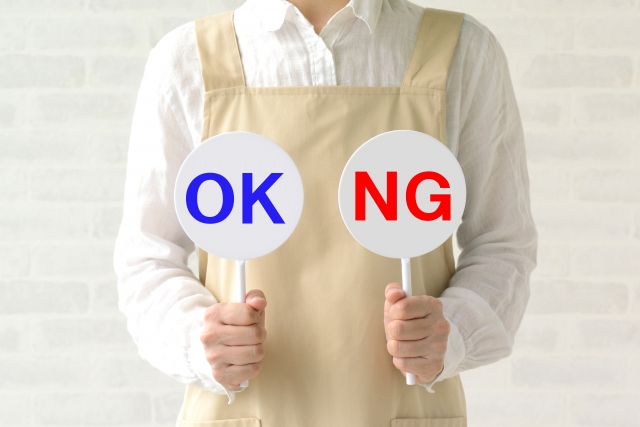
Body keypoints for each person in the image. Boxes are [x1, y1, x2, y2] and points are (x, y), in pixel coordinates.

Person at [113, 0, 537, 425]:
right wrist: (198, 340)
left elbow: (502, 244)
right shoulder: (186, 60)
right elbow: (148, 255)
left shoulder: (464, 52)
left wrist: (453, 334)